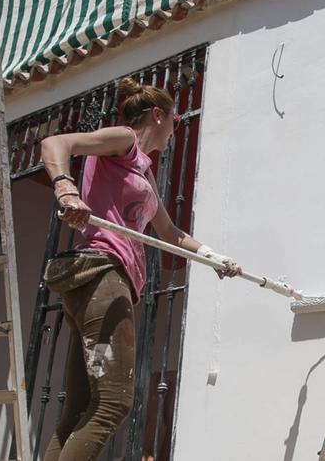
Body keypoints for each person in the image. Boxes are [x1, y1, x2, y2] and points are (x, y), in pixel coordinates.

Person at [38, 77, 242, 461]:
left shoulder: (143, 171)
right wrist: (66, 189)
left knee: (79, 409)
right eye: (176, 123)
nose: (175, 132)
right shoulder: (125, 139)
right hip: (103, 277)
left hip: (98, 289)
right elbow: (55, 143)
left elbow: (170, 233)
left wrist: (214, 258)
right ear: (158, 115)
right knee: (113, 403)